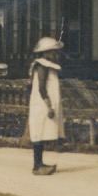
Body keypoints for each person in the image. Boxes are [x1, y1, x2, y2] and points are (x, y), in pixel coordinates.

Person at [28, 36, 64, 175]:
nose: (55, 54)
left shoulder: (48, 66)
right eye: (52, 52)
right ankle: (37, 166)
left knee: (41, 133)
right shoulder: (42, 66)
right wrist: (49, 106)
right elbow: (42, 88)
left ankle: (40, 163)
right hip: (42, 105)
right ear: (45, 52)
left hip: (43, 104)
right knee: (38, 133)